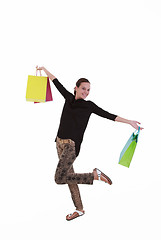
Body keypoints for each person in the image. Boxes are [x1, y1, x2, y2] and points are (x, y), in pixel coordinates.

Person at [36, 66, 143, 221]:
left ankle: (94, 176)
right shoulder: (68, 97)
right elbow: (55, 81)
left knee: (60, 178)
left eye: (88, 90)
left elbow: (109, 115)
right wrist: (44, 69)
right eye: (84, 89)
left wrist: (129, 122)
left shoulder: (89, 106)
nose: (86, 92)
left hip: (71, 146)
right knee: (69, 177)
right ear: (76, 88)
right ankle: (79, 209)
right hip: (58, 142)